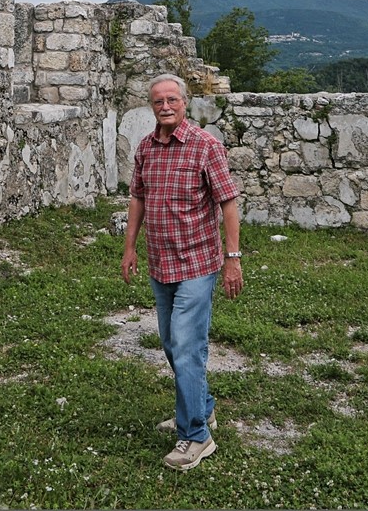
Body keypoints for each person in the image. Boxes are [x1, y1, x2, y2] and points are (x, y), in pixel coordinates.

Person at [120, 73, 243, 471]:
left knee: (188, 347)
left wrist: (233, 258)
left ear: (185, 103)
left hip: (197, 264)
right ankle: (202, 407)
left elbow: (227, 203)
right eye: (158, 101)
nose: (166, 106)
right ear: (151, 106)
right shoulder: (146, 148)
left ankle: (195, 436)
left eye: (172, 99)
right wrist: (129, 247)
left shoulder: (206, 146)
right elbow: (138, 197)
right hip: (161, 262)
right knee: (173, 345)